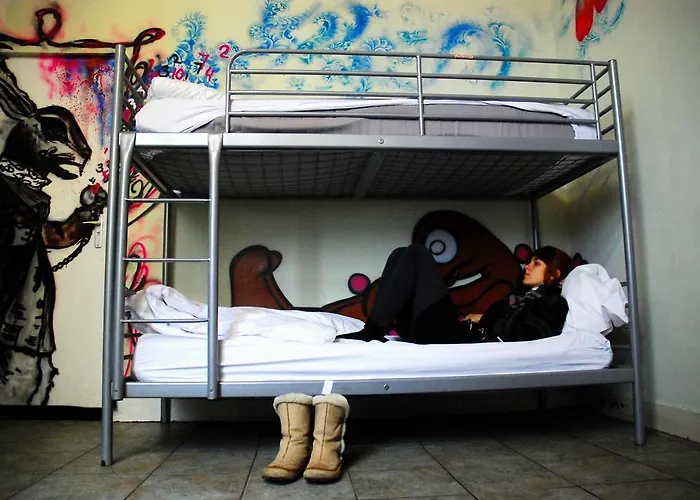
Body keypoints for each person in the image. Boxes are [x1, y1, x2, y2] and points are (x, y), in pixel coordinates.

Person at [336, 244, 574, 344]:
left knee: (417, 252)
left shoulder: (552, 303)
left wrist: (484, 319)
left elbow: (531, 335)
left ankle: (373, 331)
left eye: (537, 263)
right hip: (439, 330)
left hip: (449, 334)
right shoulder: (516, 296)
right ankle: (374, 328)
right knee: (401, 253)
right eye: (530, 261)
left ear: (555, 274)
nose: (527, 267)